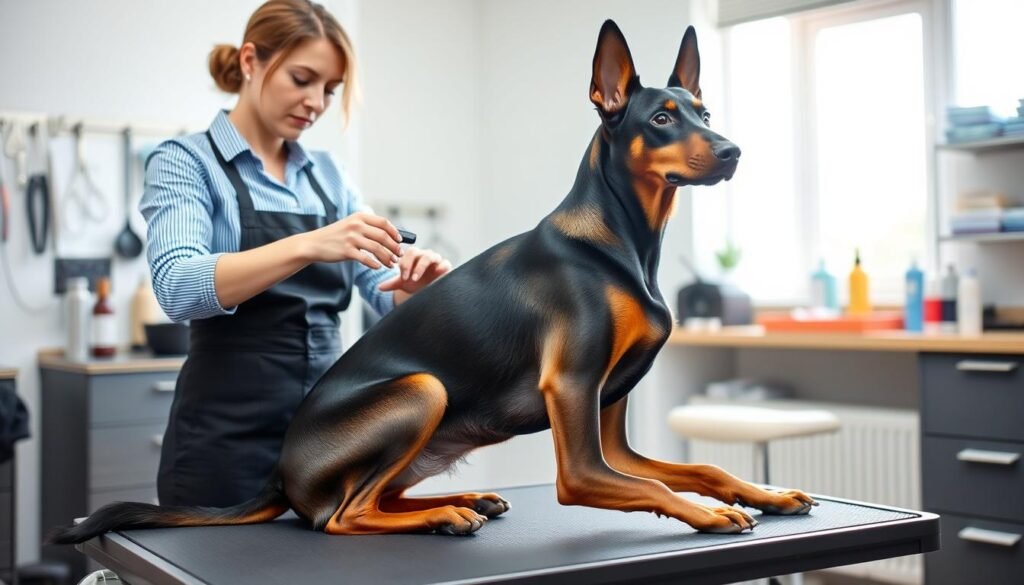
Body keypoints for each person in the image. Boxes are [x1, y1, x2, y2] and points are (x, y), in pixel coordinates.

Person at [141, 0, 452, 508]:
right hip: (222, 445)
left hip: (327, 438)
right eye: (302, 78)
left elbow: (379, 288)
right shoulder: (186, 162)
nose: (316, 102)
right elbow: (178, 287)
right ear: (250, 61)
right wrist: (309, 244)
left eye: (329, 89)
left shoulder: (328, 175)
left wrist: (414, 291)